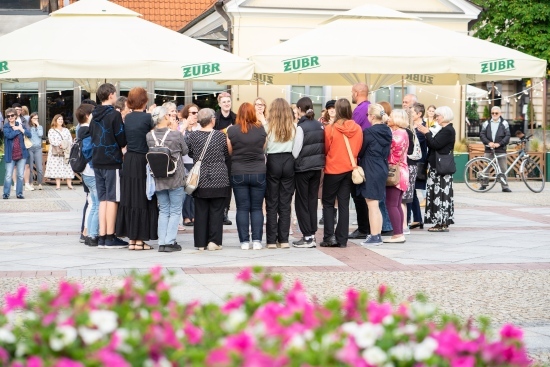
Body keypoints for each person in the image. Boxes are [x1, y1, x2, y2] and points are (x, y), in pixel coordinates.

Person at [115, 87, 158, 250]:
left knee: (130, 197)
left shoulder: (128, 117)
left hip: (129, 160)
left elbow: (124, 140)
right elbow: (153, 139)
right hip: (143, 160)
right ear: (145, 100)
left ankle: (132, 239)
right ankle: (140, 239)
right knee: (143, 197)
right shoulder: (148, 118)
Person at [89, 83, 128, 249]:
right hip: (112, 160)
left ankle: (102, 235)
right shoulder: (114, 114)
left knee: (102, 198)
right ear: (111, 95)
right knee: (112, 199)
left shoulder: (93, 114)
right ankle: (110, 236)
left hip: (96, 160)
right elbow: (121, 137)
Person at [320, 98, 362, 248]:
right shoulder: (357, 128)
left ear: (337, 110)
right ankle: (342, 239)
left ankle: (329, 236)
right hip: (349, 168)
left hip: (333, 168)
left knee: (328, 203)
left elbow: (326, 149)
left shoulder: (331, 128)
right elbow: (358, 148)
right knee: (344, 203)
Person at [187, 109, 231, 251]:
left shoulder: (193, 136)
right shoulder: (220, 136)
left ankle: (200, 243)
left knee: (200, 211)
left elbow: (191, 152)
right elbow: (226, 153)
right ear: (212, 120)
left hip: (200, 178)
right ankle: (214, 241)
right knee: (217, 211)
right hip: (219, 177)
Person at [146, 106, 188, 252]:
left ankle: (162, 242)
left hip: (158, 177)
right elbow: (185, 150)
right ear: (165, 117)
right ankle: (170, 242)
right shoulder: (175, 135)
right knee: (175, 210)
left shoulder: (149, 135)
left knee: (163, 209)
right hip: (175, 176)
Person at [227, 102, 267, 250]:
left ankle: (244, 241)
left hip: (238, 172)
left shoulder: (232, 130)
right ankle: (257, 240)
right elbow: (263, 149)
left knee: (242, 208)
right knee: (257, 208)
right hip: (258, 172)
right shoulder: (261, 130)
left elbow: (230, 151)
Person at [357, 103, 393, 246]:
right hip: (382, 166)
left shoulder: (369, 132)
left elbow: (361, 151)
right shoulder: (388, 131)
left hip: (371, 166)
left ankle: (375, 236)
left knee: (372, 204)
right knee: (376, 203)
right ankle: (376, 234)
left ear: (371, 116)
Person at [292, 97, 325, 248]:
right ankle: (311, 233)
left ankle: (306, 236)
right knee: (312, 201)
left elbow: (296, 151)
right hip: (317, 167)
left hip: (303, 168)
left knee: (301, 201)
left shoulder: (301, 127)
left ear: (299, 109)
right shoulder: (320, 125)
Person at [416, 106, 456, 232]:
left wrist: (426, 132)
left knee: (440, 194)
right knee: (436, 194)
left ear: (444, 116)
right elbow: (432, 143)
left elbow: (435, 144)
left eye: (438, 115)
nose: (436, 117)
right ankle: (440, 222)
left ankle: (441, 222)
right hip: (437, 166)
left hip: (440, 168)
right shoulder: (444, 129)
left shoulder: (448, 130)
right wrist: (427, 133)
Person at [265, 98, 295, 250]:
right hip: (289, 160)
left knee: (271, 202)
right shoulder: (293, 126)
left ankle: (271, 240)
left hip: (273, 160)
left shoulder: (267, 126)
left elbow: (263, 148)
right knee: (285, 203)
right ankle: (283, 240)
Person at [348, 83, 371, 240]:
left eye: (352, 92)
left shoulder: (359, 110)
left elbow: (352, 132)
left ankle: (363, 228)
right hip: (370, 158)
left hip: (359, 158)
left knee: (358, 195)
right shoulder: (370, 107)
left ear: (356, 93)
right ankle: (368, 226)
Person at [384, 109, 410, 243]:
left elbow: (393, 154)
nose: (388, 118)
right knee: (397, 204)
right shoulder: (403, 133)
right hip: (403, 171)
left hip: (396, 171)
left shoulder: (398, 134)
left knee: (391, 204)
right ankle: (399, 232)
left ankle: (398, 234)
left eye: (391, 116)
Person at [76, 103, 100, 247]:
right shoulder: (86, 130)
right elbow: (88, 151)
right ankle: (91, 234)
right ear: (87, 115)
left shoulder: (82, 129)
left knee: (92, 202)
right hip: (91, 171)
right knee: (96, 204)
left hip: (87, 172)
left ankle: (88, 232)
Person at [214, 92, 236, 225]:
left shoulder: (236, 118)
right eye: (224, 102)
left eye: (228, 101)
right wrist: (226, 131)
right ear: (219, 104)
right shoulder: (214, 118)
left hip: (231, 156)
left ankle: (225, 211)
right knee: (218, 183)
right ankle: (217, 210)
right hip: (217, 155)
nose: (227, 103)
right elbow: (212, 133)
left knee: (228, 185)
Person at [480, 106, 511, 192]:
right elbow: (482, 134)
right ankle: (483, 185)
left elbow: (507, 136)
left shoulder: (504, 123)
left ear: (500, 114)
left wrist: (499, 144)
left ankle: (505, 186)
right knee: (486, 167)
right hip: (488, 149)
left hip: (500, 149)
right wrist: (488, 143)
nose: (494, 114)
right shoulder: (486, 123)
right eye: (492, 113)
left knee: (503, 168)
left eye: (496, 113)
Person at [408, 103, 428, 230]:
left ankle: (410, 219)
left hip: (418, 163)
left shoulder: (422, 129)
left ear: (419, 114)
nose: (410, 114)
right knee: (412, 191)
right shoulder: (412, 127)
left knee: (410, 191)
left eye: (412, 112)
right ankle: (417, 219)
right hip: (414, 162)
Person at [3, 108, 31, 199]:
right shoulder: (6, 127)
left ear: (15, 116)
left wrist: (20, 128)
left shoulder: (20, 125)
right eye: (8, 116)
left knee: (20, 175)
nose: (10, 117)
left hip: (21, 154)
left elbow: (29, 134)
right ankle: (6, 194)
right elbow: (9, 135)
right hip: (10, 155)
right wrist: (18, 130)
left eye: (12, 115)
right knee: (8, 175)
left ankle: (19, 193)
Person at [179, 103, 200, 227]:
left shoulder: (200, 127)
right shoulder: (181, 127)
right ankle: (187, 216)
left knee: (195, 190)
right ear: (187, 114)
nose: (195, 115)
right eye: (193, 113)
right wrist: (185, 127)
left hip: (196, 162)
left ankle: (195, 215)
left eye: (197, 113)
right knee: (186, 191)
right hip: (184, 162)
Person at [317, 99, 337, 226]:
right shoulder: (321, 122)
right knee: (322, 188)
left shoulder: (341, 123)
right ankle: (325, 213)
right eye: (330, 108)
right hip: (323, 158)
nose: (332, 110)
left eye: (334, 108)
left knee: (334, 189)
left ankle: (333, 213)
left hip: (335, 159)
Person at [45, 114, 74, 190]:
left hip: (66, 151)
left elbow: (70, 140)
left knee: (68, 166)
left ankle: (69, 184)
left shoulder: (66, 130)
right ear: (55, 120)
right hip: (56, 151)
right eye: (59, 119)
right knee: (56, 167)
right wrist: (60, 144)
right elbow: (52, 140)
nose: (61, 121)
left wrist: (65, 144)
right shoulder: (51, 130)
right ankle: (58, 185)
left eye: (61, 119)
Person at [27, 112, 43, 191]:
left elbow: (40, 134)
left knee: (39, 167)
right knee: (30, 167)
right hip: (30, 148)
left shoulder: (40, 127)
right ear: (31, 119)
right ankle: (31, 183)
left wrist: (38, 126)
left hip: (38, 148)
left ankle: (40, 183)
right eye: (34, 118)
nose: (36, 120)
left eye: (37, 118)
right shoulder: (28, 127)